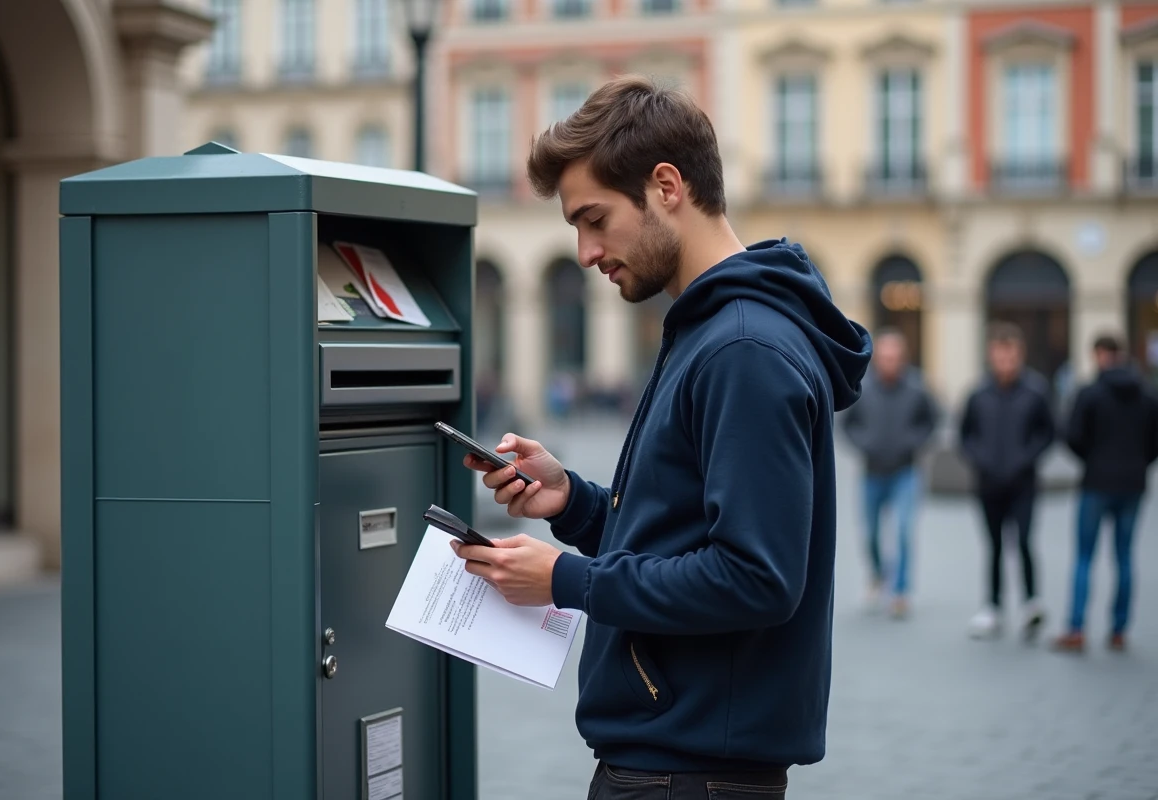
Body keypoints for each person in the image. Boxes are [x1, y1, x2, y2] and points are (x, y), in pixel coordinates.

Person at [449, 75, 872, 799]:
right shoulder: (714, 331)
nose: (585, 252)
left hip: (688, 774)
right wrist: (574, 504)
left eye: (594, 219)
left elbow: (755, 576)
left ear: (667, 186)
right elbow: (687, 525)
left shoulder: (742, 348)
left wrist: (564, 580)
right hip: (679, 763)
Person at [1052, 334, 1158, 653]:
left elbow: (1072, 436)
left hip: (1096, 482)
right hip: (1133, 484)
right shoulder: (1147, 394)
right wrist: (1139, 463)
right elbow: (1155, 441)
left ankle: (1076, 628)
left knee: (1085, 557)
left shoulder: (1090, 393)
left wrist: (1092, 459)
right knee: (1124, 557)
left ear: (1099, 354)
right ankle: (1119, 629)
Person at [959, 322, 1055, 641]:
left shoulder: (1036, 391)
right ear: (991, 355)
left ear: (1020, 355)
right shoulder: (978, 393)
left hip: (1023, 482)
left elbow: (1048, 433)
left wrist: (1026, 458)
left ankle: (1031, 603)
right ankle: (993, 608)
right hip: (988, 483)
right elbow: (965, 435)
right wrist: (980, 459)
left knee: (1025, 541)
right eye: (1000, 357)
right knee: (995, 546)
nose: (1005, 363)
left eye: (1011, 357)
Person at [842, 328, 938, 618]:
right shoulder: (863, 387)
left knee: (904, 531)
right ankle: (877, 575)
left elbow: (931, 421)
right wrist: (864, 445)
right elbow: (848, 424)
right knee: (870, 533)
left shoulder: (917, 388)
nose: (890, 363)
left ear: (903, 359)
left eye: (895, 357)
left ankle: (900, 591)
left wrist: (914, 442)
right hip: (872, 472)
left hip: (905, 472)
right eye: (885, 357)